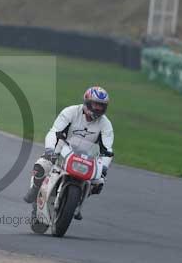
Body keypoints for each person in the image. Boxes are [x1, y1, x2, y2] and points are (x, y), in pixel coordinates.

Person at [23, 86, 114, 219]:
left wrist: (104, 167)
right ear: (87, 102)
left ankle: (77, 202)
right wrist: (50, 150)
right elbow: (54, 131)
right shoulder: (70, 112)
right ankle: (35, 191)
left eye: (101, 106)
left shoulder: (106, 124)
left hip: (87, 158)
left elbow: (108, 148)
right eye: (95, 104)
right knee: (42, 165)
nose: (98, 109)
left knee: (99, 182)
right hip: (62, 151)